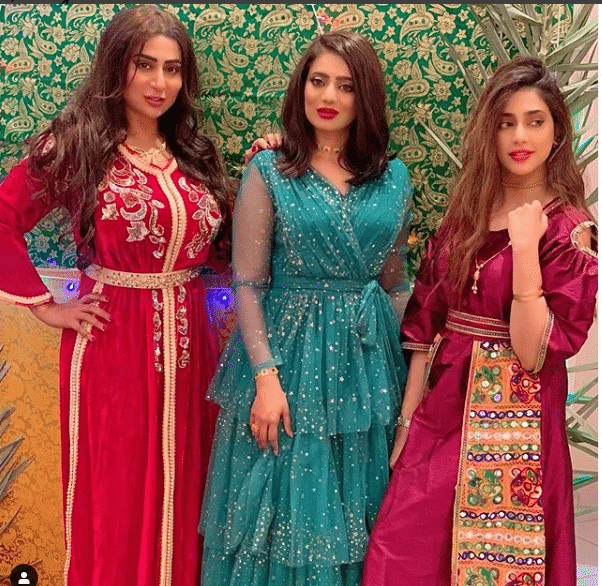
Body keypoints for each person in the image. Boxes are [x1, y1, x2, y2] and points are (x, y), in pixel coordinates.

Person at [0, 6, 233, 586]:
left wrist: (263, 169)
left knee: (189, 486)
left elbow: (221, 248)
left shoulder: (192, 153)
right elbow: (2, 217)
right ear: (115, 67)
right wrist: (46, 306)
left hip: (191, 347)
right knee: (118, 490)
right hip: (112, 342)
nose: (159, 83)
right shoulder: (77, 145)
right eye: (144, 65)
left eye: (172, 70)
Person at [361, 56, 598, 586]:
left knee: (498, 560)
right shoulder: (465, 214)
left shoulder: (571, 230)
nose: (520, 136)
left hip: (518, 417)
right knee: (400, 550)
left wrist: (525, 247)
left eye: (535, 121)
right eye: (505, 122)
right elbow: (425, 322)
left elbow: (535, 351)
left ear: (557, 130)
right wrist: (407, 422)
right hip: (442, 405)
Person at [198, 30, 414, 586]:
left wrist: (410, 376)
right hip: (288, 358)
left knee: (359, 503)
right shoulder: (270, 169)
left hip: (368, 363)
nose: (329, 96)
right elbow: (248, 283)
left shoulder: (394, 177)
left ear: (366, 97)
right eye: (318, 81)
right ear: (301, 88)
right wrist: (265, 378)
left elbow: (395, 284)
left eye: (346, 86)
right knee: (280, 503)